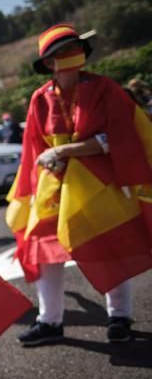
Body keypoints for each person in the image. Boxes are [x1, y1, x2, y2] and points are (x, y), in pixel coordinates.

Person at [11, 23, 152, 346]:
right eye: (62, 52)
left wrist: (64, 150)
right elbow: (34, 147)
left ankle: (119, 317)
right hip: (54, 183)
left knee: (109, 243)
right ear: (48, 63)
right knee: (43, 248)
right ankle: (50, 321)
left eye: (75, 48)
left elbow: (117, 138)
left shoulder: (105, 88)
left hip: (100, 182)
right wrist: (33, 187)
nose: (72, 55)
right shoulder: (40, 98)